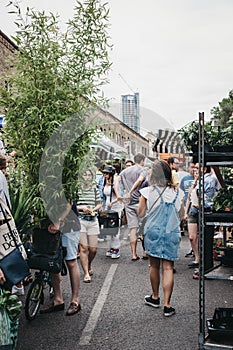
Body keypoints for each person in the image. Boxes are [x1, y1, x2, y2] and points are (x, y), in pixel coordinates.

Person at [138, 160, 183, 317]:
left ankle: (155, 297)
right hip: (172, 232)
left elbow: (141, 213)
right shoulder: (178, 192)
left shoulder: (147, 192)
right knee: (168, 267)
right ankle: (167, 305)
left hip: (153, 232)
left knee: (154, 266)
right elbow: (181, 214)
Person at [40, 201, 81, 316]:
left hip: (69, 225)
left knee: (71, 261)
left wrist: (58, 222)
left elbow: (68, 200)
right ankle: (58, 300)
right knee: (52, 260)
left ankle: (75, 300)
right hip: (51, 224)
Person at [116, 153, 147, 261]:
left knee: (133, 229)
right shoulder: (143, 170)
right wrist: (131, 191)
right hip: (140, 202)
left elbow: (116, 180)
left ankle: (133, 254)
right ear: (142, 160)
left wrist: (119, 194)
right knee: (143, 227)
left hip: (128, 204)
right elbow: (140, 180)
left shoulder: (125, 171)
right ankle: (144, 253)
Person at [77, 169, 102, 282]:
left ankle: (89, 263)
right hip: (81, 219)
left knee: (93, 249)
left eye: (89, 175)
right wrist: (82, 208)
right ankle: (86, 273)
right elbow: (72, 205)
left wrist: (93, 209)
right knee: (84, 248)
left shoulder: (94, 190)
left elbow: (99, 204)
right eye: (85, 174)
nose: (87, 177)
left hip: (93, 219)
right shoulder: (77, 190)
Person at [102, 165, 123, 259]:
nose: (105, 175)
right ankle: (110, 248)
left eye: (106, 173)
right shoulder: (104, 182)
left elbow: (119, 197)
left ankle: (116, 249)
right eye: (104, 173)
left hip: (115, 208)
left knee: (115, 229)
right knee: (107, 228)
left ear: (111, 174)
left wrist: (112, 202)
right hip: (107, 208)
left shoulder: (115, 183)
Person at [180, 161, 195, 254]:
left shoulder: (200, 179)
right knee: (190, 230)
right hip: (187, 205)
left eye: (195, 167)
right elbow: (181, 192)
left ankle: (195, 249)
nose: (193, 169)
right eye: (191, 167)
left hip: (195, 206)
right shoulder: (185, 179)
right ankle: (192, 248)